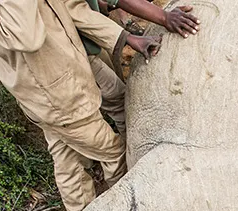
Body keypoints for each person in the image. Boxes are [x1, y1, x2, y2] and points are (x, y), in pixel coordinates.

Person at [0, 0, 161, 211]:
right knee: (113, 152)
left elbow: (71, 7)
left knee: (69, 163)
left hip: (68, 77)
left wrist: (124, 37)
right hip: (54, 97)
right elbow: (26, 36)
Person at [82, 1, 200, 130]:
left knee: (114, 82)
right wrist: (163, 17)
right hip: (76, 49)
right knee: (119, 102)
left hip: (91, 36)